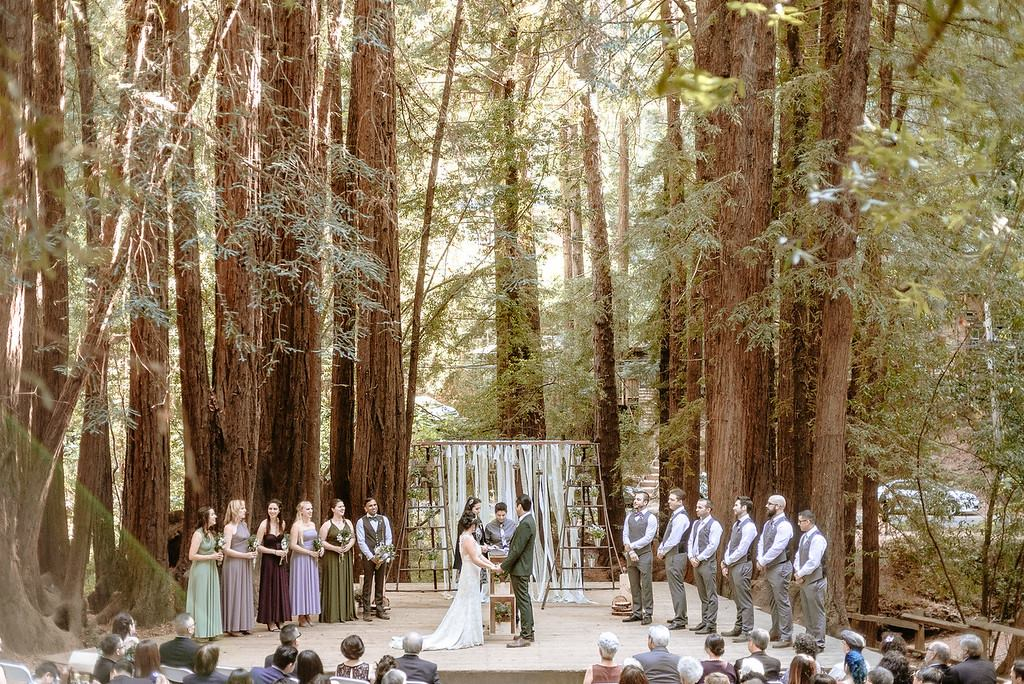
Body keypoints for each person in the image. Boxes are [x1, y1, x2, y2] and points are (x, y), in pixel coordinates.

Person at [391, 513, 500, 650]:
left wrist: (492, 565)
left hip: (473, 573)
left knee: (472, 602)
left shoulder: (469, 537)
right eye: (475, 525)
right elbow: (474, 559)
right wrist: (491, 567)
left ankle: (472, 633)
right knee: (467, 602)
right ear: (472, 525)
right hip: (469, 575)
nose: (476, 527)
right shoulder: (466, 538)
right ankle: (466, 634)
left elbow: (479, 556)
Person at [757, 494, 794, 647]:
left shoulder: (784, 525)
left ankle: (786, 636)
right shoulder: (768, 524)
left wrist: (764, 560)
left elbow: (778, 547)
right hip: (770, 567)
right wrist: (760, 558)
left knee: (782, 601)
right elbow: (761, 541)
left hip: (780, 567)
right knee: (773, 601)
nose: (767, 506)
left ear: (778, 506)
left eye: (770, 503)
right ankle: (776, 630)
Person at [501, 494, 538, 647]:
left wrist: (503, 567)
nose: (515, 509)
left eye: (516, 506)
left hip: (520, 568)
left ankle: (526, 635)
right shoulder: (528, 521)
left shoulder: (525, 524)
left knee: (523, 601)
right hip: (522, 568)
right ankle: (528, 631)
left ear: (520, 507)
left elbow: (516, 550)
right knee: (525, 600)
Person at [722, 497, 758, 642]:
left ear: (744, 508)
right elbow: (731, 544)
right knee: (737, 597)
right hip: (733, 564)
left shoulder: (749, 526)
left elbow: (742, 549)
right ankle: (739, 626)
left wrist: (727, 561)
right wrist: (726, 561)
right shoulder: (737, 524)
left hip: (742, 564)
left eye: (736, 505)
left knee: (744, 599)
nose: (733, 507)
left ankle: (747, 630)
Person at [186, 506, 224, 640]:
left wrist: (217, 555)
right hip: (201, 570)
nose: (215, 517)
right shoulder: (198, 534)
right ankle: (200, 632)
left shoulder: (210, 533)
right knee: (201, 600)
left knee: (211, 598)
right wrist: (211, 557)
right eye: (212, 514)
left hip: (211, 570)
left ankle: (211, 630)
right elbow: (191, 556)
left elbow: (209, 551)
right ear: (205, 518)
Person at [221, 499, 257, 636]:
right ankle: (232, 626)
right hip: (234, 564)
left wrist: (252, 550)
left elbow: (247, 541)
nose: (245, 511)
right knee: (234, 592)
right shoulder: (229, 528)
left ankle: (244, 624)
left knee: (244, 591)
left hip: (245, 562)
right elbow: (226, 549)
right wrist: (244, 555)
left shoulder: (244, 525)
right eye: (242, 509)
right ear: (235, 510)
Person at [622, 490, 657, 626]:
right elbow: (625, 533)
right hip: (631, 554)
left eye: (638, 499)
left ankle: (648, 613)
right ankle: (636, 612)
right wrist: (629, 550)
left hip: (644, 554)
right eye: (635, 499)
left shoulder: (651, 518)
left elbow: (648, 538)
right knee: (634, 584)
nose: (635, 501)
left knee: (646, 585)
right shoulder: (629, 516)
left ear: (645, 502)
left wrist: (631, 547)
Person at [656, 488, 690, 631]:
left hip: (676, 554)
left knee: (677, 586)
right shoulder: (675, 515)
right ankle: (679, 614)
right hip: (672, 553)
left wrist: (663, 551)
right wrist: (661, 547)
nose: (669, 501)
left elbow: (674, 539)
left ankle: (680, 619)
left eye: (672, 499)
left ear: (680, 501)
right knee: (674, 586)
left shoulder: (681, 517)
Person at [256, 499, 292, 632]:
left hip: (280, 562)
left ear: (279, 510)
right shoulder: (264, 525)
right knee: (269, 588)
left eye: (275, 509)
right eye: (270, 508)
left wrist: (285, 550)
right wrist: (274, 551)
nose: (272, 511)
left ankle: (280, 619)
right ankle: (270, 621)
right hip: (269, 561)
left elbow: (285, 541)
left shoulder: (282, 523)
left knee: (280, 588)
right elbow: (258, 546)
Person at [356, 496, 394, 622]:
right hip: (369, 557)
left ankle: (379, 609)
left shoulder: (384, 519)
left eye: (375, 505)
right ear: (365, 508)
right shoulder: (361, 522)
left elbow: (388, 537)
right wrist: (371, 556)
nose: (373, 507)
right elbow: (361, 541)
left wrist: (384, 554)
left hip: (382, 556)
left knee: (380, 582)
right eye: (370, 506)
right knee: (367, 583)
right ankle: (366, 611)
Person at [320, 499, 358, 623]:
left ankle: (346, 613)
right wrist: (335, 548)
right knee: (333, 582)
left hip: (345, 556)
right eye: (339, 507)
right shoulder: (327, 525)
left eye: (343, 506)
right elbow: (321, 542)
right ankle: (332, 613)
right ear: (332, 509)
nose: (342, 509)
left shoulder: (348, 522)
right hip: (331, 557)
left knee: (345, 581)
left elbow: (353, 537)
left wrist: (349, 546)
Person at [689, 500, 722, 634]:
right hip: (695, 562)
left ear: (708, 510)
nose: (697, 509)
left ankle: (711, 624)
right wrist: (691, 556)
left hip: (707, 563)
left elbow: (713, 545)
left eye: (700, 507)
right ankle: (704, 620)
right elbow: (691, 540)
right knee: (702, 594)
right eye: (697, 507)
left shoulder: (715, 525)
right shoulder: (696, 523)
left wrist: (699, 558)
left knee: (710, 594)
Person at [290, 501, 324, 627]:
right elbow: (292, 545)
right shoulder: (296, 526)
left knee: (310, 584)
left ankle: (308, 613)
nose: (310, 511)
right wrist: (308, 552)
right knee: (301, 584)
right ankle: (301, 615)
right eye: (308, 509)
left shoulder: (312, 524)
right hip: (300, 558)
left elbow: (316, 540)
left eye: (311, 508)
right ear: (301, 511)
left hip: (311, 558)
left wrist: (319, 548)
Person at [453, 497, 486, 574]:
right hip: (469, 556)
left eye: (479, 509)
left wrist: (484, 545)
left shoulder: (479, 521)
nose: (479, 511)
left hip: (478, 553)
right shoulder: (463, 522)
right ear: (470, 508)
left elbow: (482, 537)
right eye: (476, 509)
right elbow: (464, 540)